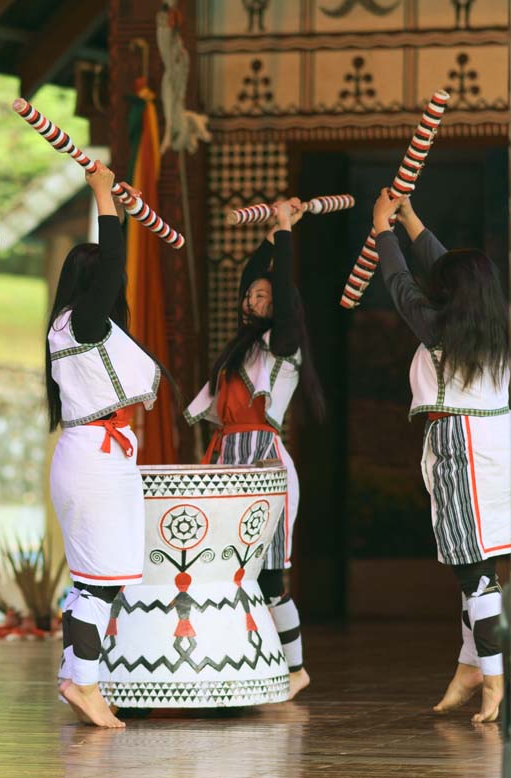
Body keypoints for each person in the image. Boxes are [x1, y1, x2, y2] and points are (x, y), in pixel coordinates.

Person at [373, 190, 511, 724]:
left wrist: (382, 230)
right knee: (476, 568)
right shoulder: (495, 325)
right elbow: (449, 274)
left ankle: (494, 681)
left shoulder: (439, 328)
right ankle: (470, 666)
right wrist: (411, 222)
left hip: (462, 448)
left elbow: (402, 287)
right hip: (495, 446)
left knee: (475, 574)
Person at [185, 198, 324, 700]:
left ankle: (296, 668)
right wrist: (271, 233)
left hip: (263, 465)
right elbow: (251, 273)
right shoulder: (245, 345)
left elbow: (281, 291)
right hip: (227, 461)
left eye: (266, 295)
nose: (255, 299)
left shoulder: (283, 346)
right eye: (252, 295)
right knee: (222, 569)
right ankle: (233, 662)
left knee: (268, 577)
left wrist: (287, 231)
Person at [47, 163, 165, 728]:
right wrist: (105, 197)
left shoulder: (83, 330)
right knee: (101, 581)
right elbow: (115, 264)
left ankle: (77, 676)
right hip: (94, 456)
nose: (115, 290)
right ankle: (85, 684)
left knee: (100, 579)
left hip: (98, 454)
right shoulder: (83, 323)